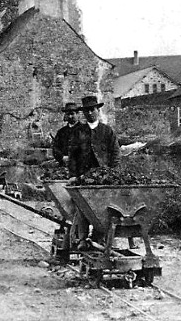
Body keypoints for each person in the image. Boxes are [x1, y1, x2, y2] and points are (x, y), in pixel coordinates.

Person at [68, 95, 121, 250]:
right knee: (83, 207)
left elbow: (116, 154)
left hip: (104, 178)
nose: (90, 113)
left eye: (92, 110)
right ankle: (83, 239)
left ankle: (101, 237)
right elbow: (72, 156)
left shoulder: (107, 131)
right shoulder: (79, 132)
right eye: (86, 111)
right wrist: (73, 175)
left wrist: (113, 173)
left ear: (98, 110)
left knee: (104, 209)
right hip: (84, 177)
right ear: (83, 113)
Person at [52, 102, 81, 172]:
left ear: (78, 114)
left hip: (80, 166)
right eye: (68, 114)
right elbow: (55, 147)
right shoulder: (61, 132)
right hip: (64, 166)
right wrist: (62, 157)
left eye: (72, 114)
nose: (70, 116)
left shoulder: (85, 129)